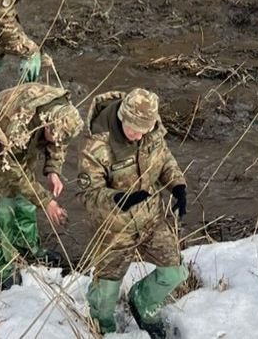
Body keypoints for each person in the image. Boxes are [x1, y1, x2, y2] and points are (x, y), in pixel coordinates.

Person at [78, 88, 188, 338]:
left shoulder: (151, 133)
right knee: (104, 302)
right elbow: (87, 194)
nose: (138, 136)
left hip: (150, 220)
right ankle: (103, 329)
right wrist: (117, 199)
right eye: (133, 130)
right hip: (114, 231)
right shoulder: (98, 144)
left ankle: (143, 303)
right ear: (121, 117)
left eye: (143, 131)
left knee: (174, 272)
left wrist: (178, 185)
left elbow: (165, 160)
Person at [0, 83, 83, 285]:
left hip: (28, 134)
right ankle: (3, 264)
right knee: (4, 198)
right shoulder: (18, 125)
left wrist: (53, 171)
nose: (57, 141)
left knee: (25, 196)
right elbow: (16, 171)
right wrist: (46, 201)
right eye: (54, 136)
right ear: (46, 125)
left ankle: (28, 246)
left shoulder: (63, 113)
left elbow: (58, 144)